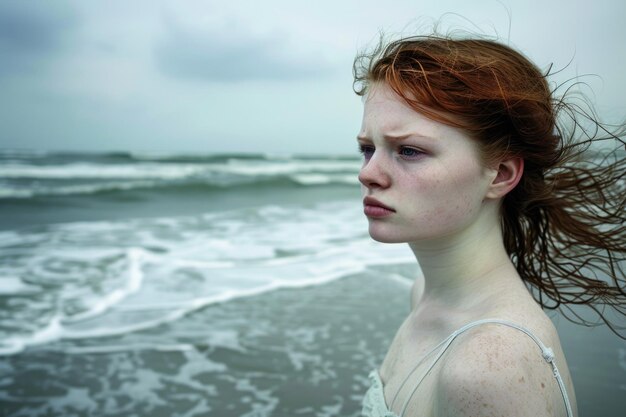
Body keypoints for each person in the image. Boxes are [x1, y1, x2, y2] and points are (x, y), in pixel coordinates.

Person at [353, 33, 625, 417]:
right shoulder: (425, 295)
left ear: (499, 174)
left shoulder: (487, 366)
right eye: (368, 148)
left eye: (409, 150)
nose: (369, 173)